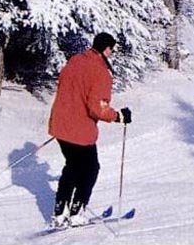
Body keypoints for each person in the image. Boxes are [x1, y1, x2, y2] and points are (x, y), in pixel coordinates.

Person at [47, 32, 132, 228]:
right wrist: (118, 116)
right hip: (79, 129)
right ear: (106, 49)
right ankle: (76, 211)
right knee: (91, 168)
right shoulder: (101, 71)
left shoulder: (76, 60)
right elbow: (97, 107)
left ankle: (60, 212)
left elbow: (68, 88)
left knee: (72, 166)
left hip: (60, 124)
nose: (112, 54)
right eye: (112, 50)